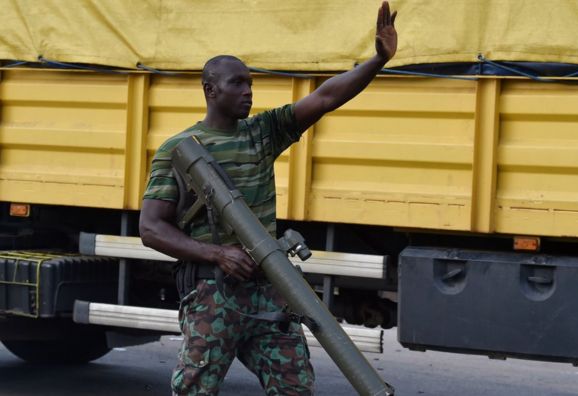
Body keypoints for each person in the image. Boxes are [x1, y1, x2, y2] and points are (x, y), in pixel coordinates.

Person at [139, 2, 398, 395]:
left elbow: (326, 97)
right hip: (213, 294)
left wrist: (377, 61)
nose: (248, 91)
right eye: (237, 84)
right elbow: (151, 228)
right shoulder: (179, 150)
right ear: (210, 90)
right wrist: (217, 254)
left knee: (295, 387)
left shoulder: (262, 132)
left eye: (250, 83)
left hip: (268, 291)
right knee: (194, 389)